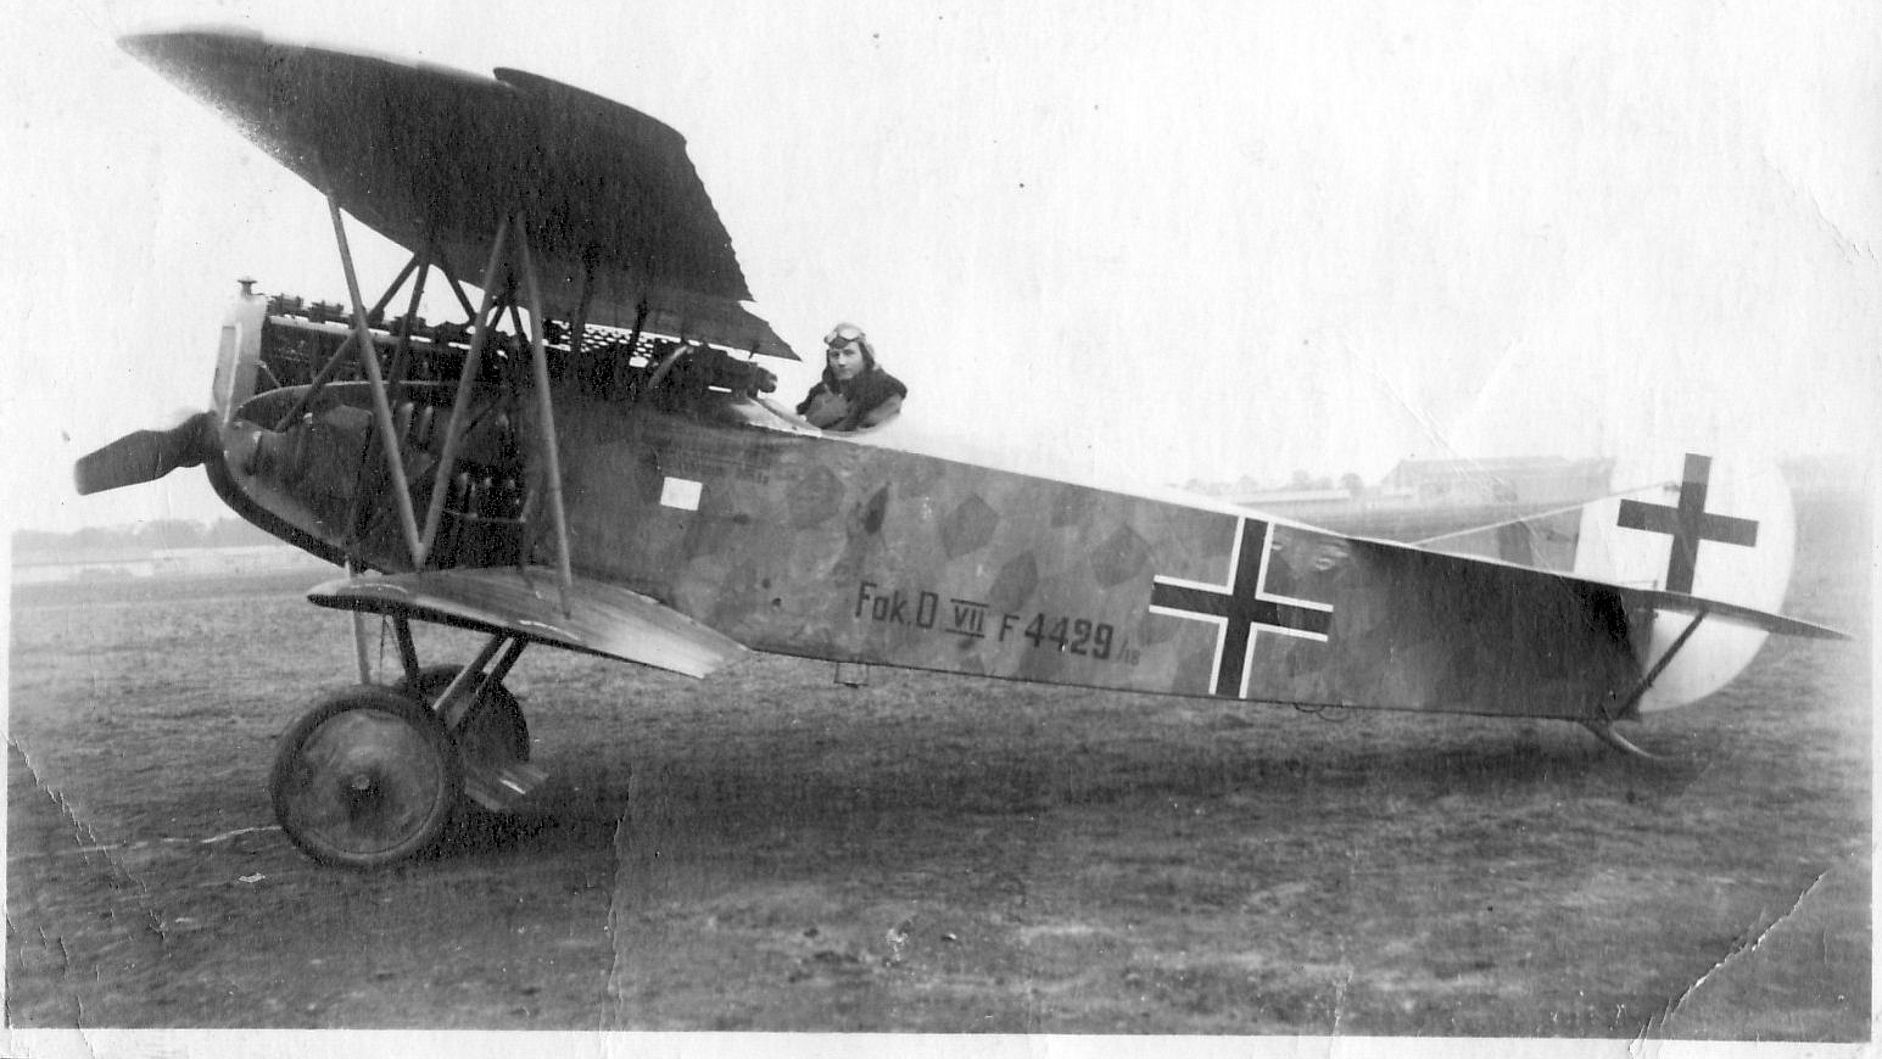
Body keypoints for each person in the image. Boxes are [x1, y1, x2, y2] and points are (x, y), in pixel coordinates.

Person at [796, 322, 906, 431]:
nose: (841, 362)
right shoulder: (820, 392)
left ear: (865, 357)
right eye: (835, 355)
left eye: (849, 353)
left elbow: (864, 439)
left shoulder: (884, 394)